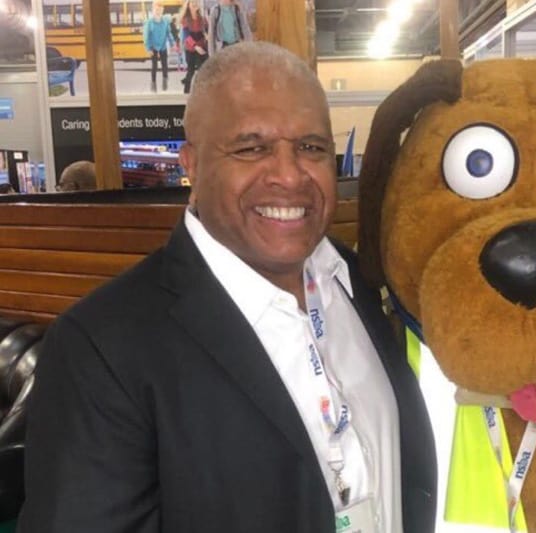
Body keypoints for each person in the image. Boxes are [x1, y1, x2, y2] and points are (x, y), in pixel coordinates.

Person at [19, 42, 436, 533]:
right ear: (192, 166)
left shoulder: (355, 278)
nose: (288, 174)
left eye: (311, 147)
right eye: (251, 147)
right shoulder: (101, 350)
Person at [143, 1, 175, 92]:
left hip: (163, 47)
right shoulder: (149, 22)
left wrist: (172, 44)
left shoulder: (165, 21)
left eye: (160, 10)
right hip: (153, 47)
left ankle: (165, 80)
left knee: (165, 65)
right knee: (154, 66)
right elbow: (146, 36)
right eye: (156, 9)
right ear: (153, 10)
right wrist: (148, 48)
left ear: (162, 10)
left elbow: (169, 33)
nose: (158, 11)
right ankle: (153, 83)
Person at [178, 0, 208, 94]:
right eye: (192, 2)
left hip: (202, 48)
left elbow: (206, 31)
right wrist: (195, 47)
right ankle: (186, 91)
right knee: (191, 71)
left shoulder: (202, 19)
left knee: (202, 70)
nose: (195, 4)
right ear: (188, 5)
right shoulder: (185, 19)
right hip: (191, 49)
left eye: (196, 2)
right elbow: (187, 36)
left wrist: (207, 35)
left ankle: (202, 93)